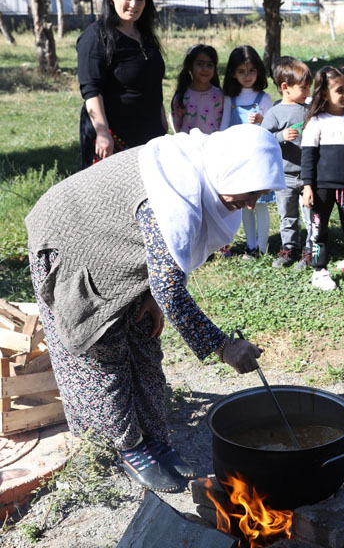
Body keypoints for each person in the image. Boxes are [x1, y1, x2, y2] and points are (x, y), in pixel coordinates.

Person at [25, 125, 285, 492]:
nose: (251, 204)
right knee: (106, 355)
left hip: (116, 242)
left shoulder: (201, 176)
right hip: (70, 240)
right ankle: (129, 447)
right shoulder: (171, 189)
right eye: (251, 192)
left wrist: (151, 294)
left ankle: (154, 438)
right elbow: (170, 286)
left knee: (145, 341)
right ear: (230, 171)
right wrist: (223, 347)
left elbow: (169, 266)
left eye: (260, 194)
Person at [76, 0, 166, 170]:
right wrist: (102, 132)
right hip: (113, 138)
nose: (134, 4)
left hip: (148, 135)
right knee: (111, 197)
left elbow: (152, 81)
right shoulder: (95, 37)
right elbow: (91, 91)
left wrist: (161, 121)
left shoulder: (145, 36)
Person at [301, 66, 344, 290]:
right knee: (319, 229)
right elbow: (308, 158)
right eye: (339, 90)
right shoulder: (316, 122)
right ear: (323, 93)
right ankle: (320, 270)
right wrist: (307, 186)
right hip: (321, 188)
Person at [220, 45, 274, 259]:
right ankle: (250, 245)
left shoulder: (264, 99)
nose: (247, 76)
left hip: (258, 160)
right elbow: (224, 127)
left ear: (259, 71)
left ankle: (263, 245)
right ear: (233, 73)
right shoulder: (229, 99)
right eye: (241, 71)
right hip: (238, 159)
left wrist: (261, 122)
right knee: (244, 206)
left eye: (251, 70)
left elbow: (270, 131)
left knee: (260, 204)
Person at [263, 56, 314, 269]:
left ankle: (312, 249)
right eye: (303, 88)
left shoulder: (310, 111)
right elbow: (263, 139)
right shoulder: (275, 113)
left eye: (309, 88)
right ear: (285, 87)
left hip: (309, 175)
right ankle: (289, 248)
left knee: (311, 215)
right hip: (286, 176)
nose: (307, 93)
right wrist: (281, 136)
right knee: (287, 215)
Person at [170, 44, 223, 134]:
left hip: (213, 146)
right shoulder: (182, 97)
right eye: (200, 64)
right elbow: (177, 126)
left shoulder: (220, 96)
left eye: (210, 65)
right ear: (190, 66)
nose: (205, 69)